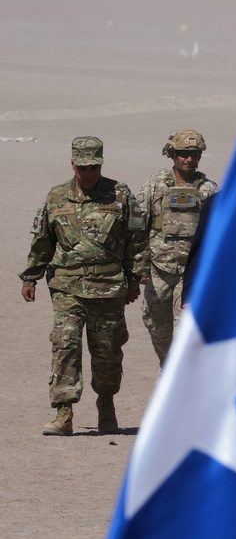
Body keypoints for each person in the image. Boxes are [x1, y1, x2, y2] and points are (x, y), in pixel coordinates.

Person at [19, 136, 147, 436]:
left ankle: (106, 402)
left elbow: (136, 240)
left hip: (108, 288)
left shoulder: (120, 194)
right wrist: (30, 276)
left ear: (101, 164)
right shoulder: (57, 196)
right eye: (83, 167)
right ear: (73, 164)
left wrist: (134, 279)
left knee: (107, 352)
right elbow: (43, 241)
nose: (89, 173)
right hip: (67, 286)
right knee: (65, 345)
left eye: (94, 167)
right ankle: (64, 412)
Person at [136, 129, 218, 366]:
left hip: (191, 275)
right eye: (183, 153)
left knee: (185, 333)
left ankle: (178, 374)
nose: (189, 159)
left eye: (194, 154)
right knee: (158, 330)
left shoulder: (209, 190)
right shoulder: (155, 186)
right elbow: (137, 227)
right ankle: (168, 367)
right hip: (158, 272)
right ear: (172, 154)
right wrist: (139, 266)